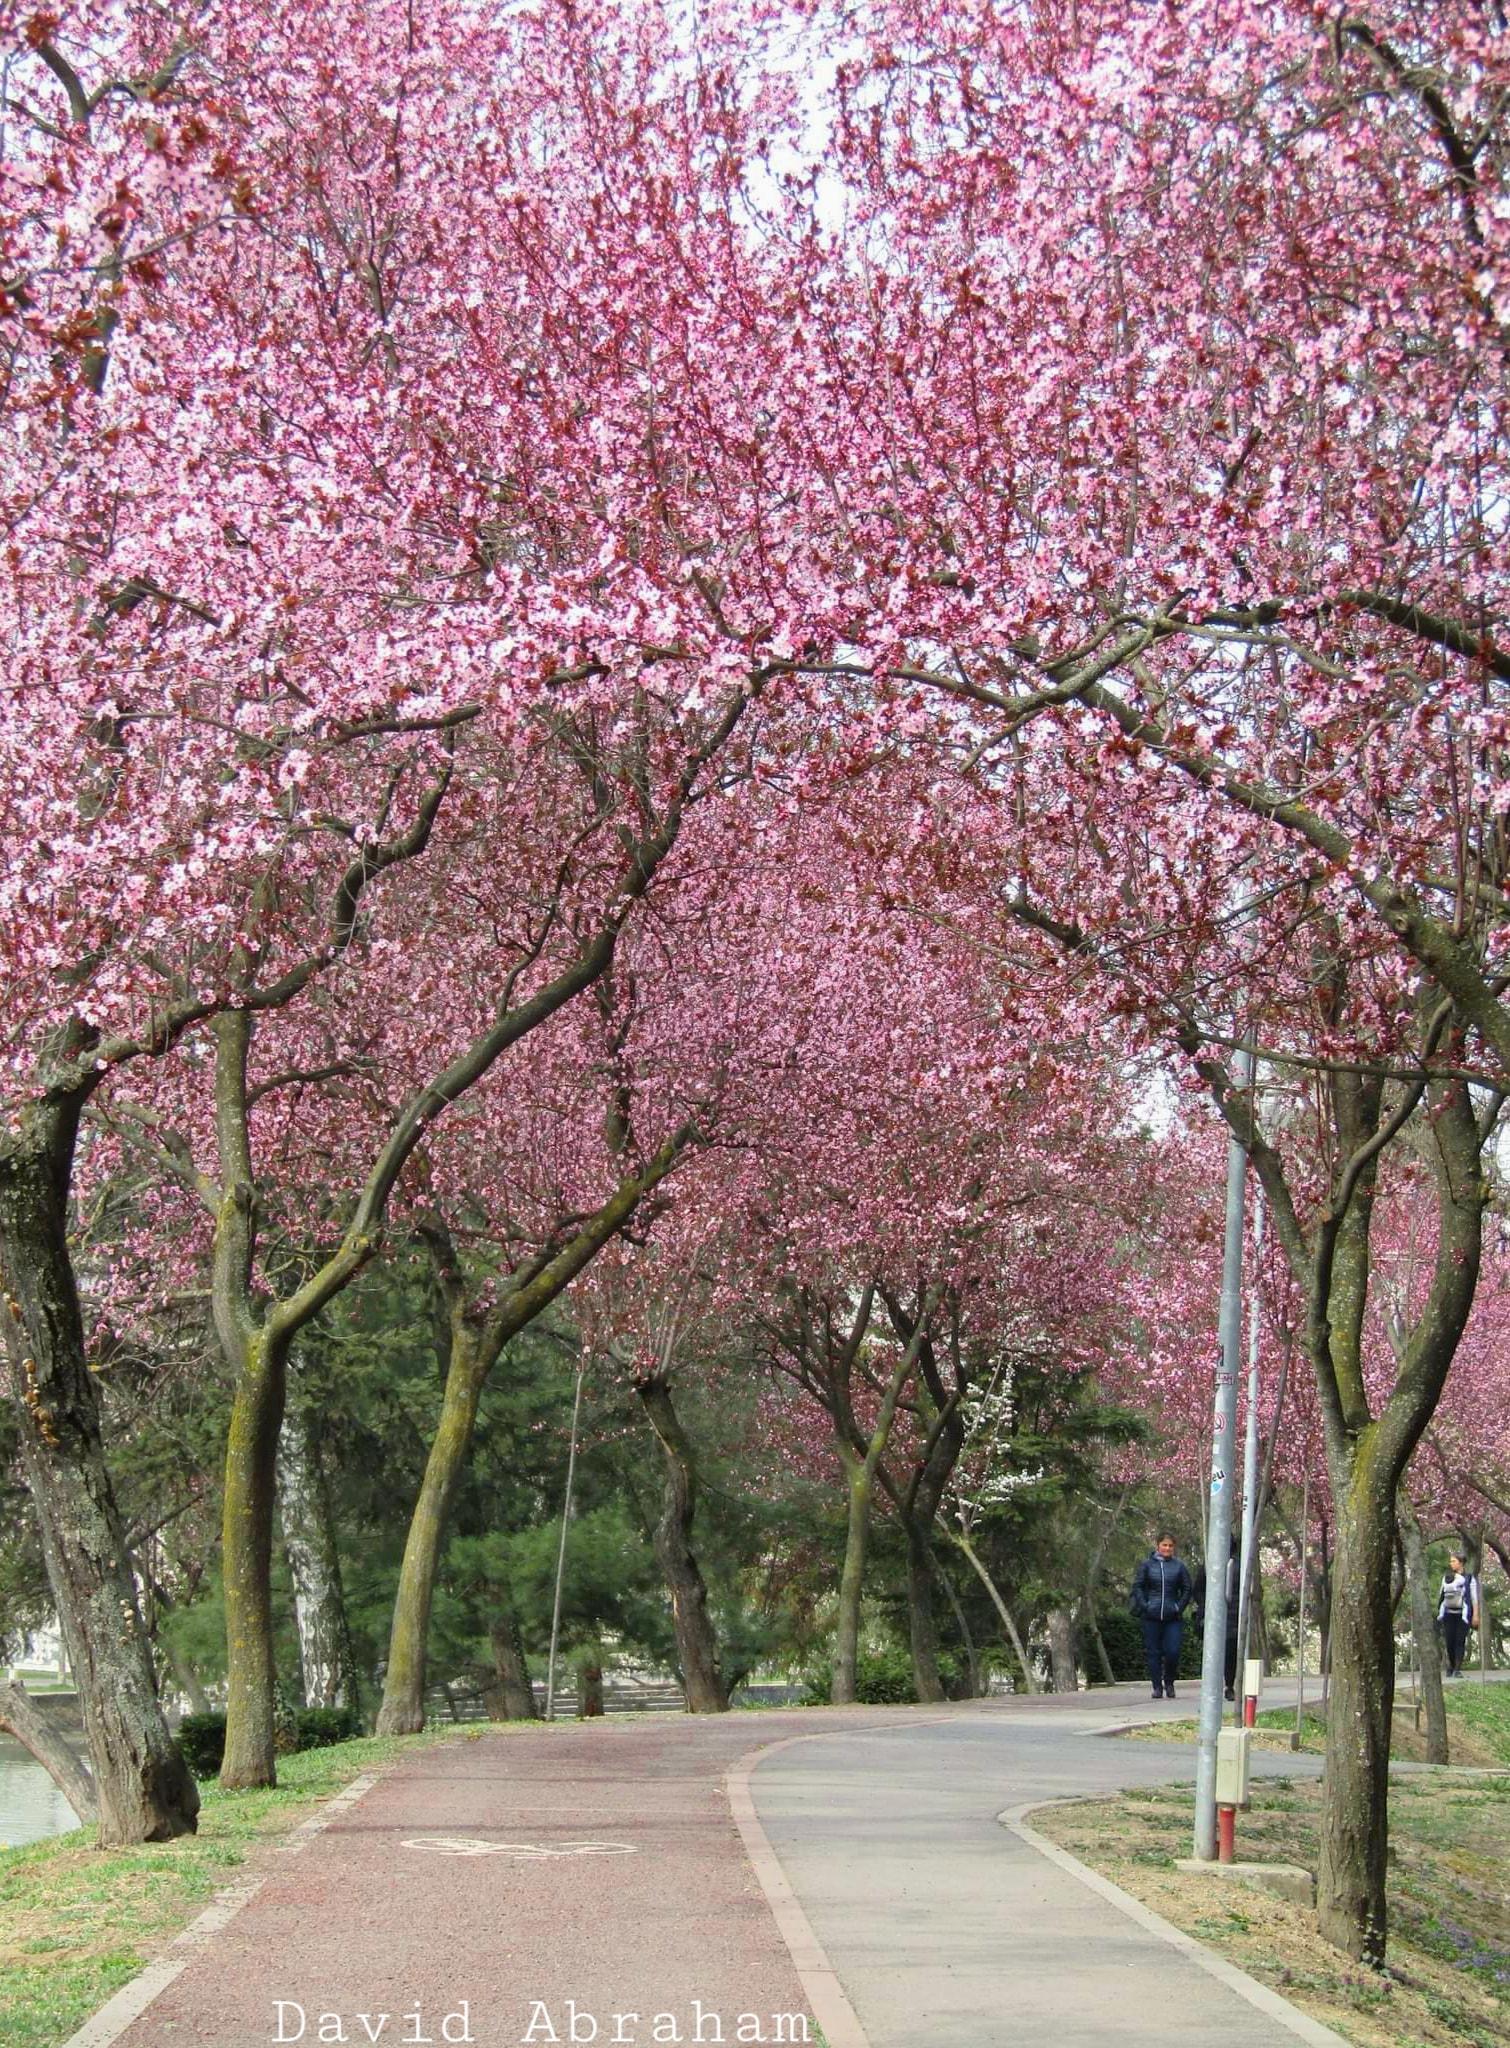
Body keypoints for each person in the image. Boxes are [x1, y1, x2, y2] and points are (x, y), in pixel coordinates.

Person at [1130, 1532, 1193, 1700]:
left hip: (1172, 1617)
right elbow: (1137, 1586)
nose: (1167, 1548)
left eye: (1170, 1545)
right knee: (1153, 1653)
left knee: (1173, 1651)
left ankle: (1169, 1682)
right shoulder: (1147, 1565)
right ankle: (1157, 1686)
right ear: (1158, 1545)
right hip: (1151, 1616)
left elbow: (1187, 1588)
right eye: (1164, 1545)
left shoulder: (1179, 1566)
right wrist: (1145, 1605)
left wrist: (1178, 1607)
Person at [1192, 1535, 1243, 1702]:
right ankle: (1212, 1685)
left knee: (1230, 1652)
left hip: (1233, 1616)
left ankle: (1228, 1684)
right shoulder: (1208, 1565)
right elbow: (1198, 1589)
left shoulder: (1238, 1566)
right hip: (1213, 1615)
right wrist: (1205, 1606)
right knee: (1213, 1651)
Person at [1438, 1553, 1478, 1677]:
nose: (1451, 1563)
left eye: (1454, 1561)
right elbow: (1442, 1594)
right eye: (1451, 1561)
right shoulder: (1447, 1577)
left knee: (1460, 1641)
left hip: (1463, 1615)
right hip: (1449, 1614)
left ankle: (1457, 1668)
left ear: (1461, 1563)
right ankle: (1450, 1666)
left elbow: (1474, 1598)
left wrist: (1475, 1616)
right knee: (1449, 1641)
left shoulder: (1469, 1578)